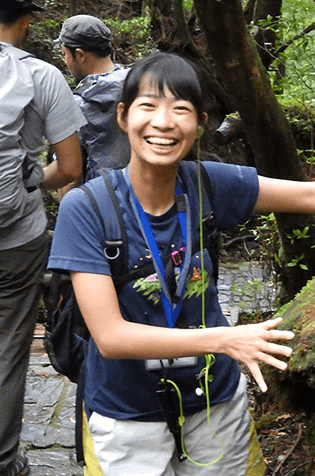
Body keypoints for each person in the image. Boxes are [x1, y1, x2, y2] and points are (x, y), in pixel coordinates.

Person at [47, 51, 315, 476]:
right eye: (149, 106)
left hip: (213, 403)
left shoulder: (205, 184)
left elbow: (309, 196)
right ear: (123, 116)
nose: (163, 122)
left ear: (199, 125)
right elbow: (111, 337)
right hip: (128, 414)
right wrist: (226, 339)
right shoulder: (88, 208)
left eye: (180, 109)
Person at [0, 1, 85, 475]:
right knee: (9, 347)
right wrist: (32, 178)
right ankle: (4, 460)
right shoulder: (43, 76)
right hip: (15, 237)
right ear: (26, 19)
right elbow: (70, 168)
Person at [55, 14, 130, 196]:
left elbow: (69, 175)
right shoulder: (140, 83)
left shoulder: (77, 105)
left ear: (80, 55)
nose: (66, 62)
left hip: (103, 203)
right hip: (152, 198)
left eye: (65, 54)